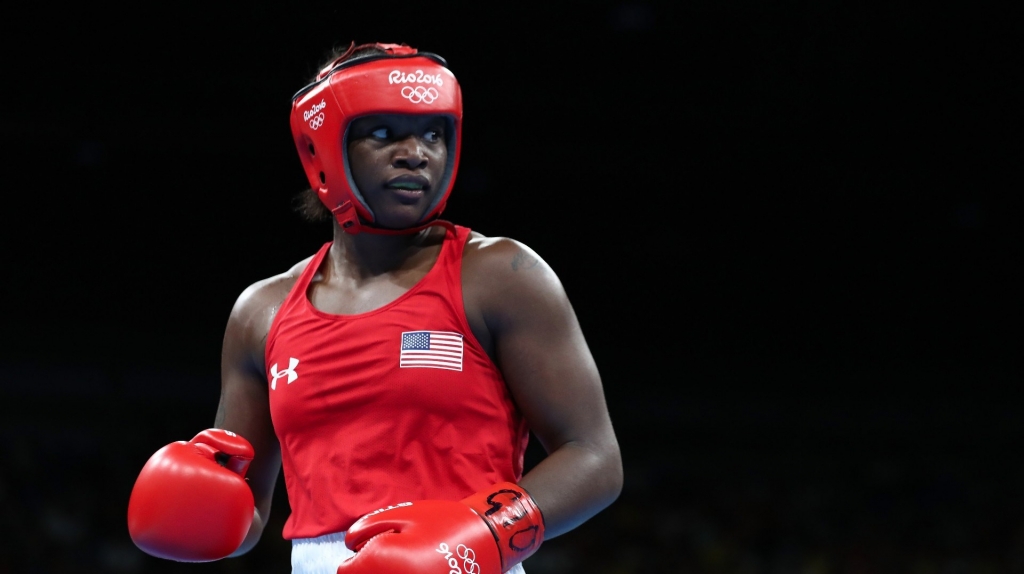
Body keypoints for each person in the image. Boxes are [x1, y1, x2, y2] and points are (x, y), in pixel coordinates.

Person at [126, 41, 623, 574]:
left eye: (434, 133)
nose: (416, 152)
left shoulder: (499, 275)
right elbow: (247, 516)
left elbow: (594, 458)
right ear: (324, 149)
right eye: (383, 133)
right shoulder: (262, 312)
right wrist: (197, 506)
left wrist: (476, 537)